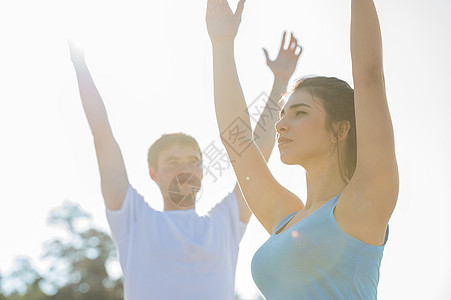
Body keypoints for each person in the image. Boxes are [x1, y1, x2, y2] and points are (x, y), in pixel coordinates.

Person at [68, 33, 301, 300]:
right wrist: (80, 65)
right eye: (173, 163)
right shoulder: (133, 218)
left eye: (193, 162)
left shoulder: (225, 222)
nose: (185, 169)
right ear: (153, 174)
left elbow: (257, 151)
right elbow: (103, 136)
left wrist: (281, 82)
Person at [206, 0, 398, 299]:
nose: (281, 125)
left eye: (300, 113)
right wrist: (221, 44)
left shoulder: (363, 203)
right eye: (283, 114)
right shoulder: (286, 218)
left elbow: (369, 76)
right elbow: (237, 139)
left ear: (341, 128)